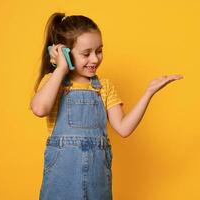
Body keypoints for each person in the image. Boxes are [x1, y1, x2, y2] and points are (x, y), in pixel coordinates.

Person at [30, 12, 183, 200]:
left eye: (99, 51)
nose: (94, 59)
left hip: (97, 181)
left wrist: (149, 92)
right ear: (65, 53)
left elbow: (124, 128)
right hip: (62, 181)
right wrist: (61, 68)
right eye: (86, 53)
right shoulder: (54, 83)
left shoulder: (104, 87)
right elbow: (40, 109)